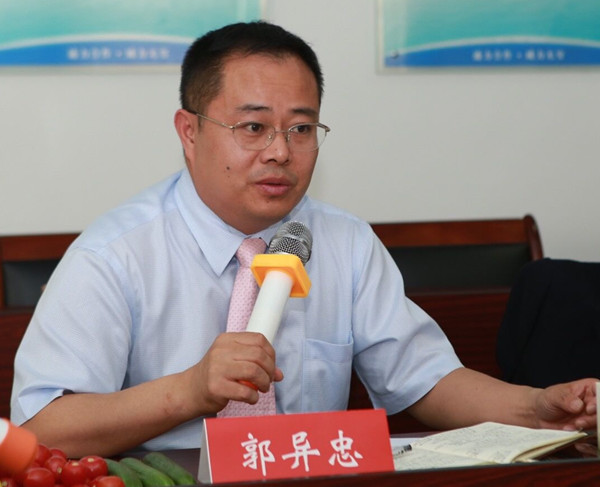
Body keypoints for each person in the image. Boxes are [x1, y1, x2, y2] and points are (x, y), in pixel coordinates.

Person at [11, 21, 597, 458]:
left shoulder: (344, 242)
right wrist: (188, 390)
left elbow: (425, 380)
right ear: (189, 132)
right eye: (253, 126)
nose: (280, 151)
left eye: (301, 127)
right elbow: (42, 430)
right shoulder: (114, 255)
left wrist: (536, 408)